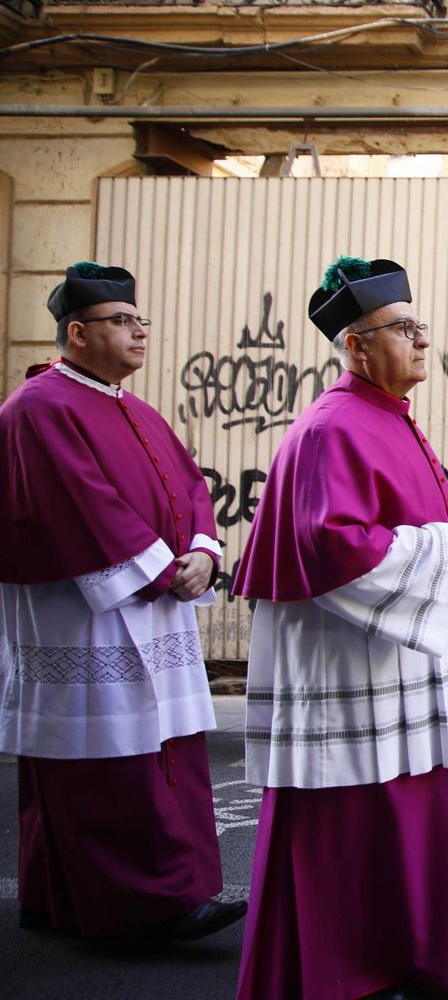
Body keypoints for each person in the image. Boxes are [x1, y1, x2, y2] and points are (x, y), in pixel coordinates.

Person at [232, 256, 448, 999]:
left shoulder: (385, 416)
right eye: (405, 329)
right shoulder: (336, 425)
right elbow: (333, 545)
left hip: (392, 658)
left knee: (421, 807)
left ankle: (445, 944)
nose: (423, 341)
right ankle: (363, 963)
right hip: (352, 667)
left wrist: (447, 540)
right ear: (357, 346)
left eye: (420, 327)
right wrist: (445, 546)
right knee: (368, 821)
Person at [0, 262, 243, 941]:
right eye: (123, 321)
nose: (140, 332)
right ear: (77, 333)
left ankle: (59, 896)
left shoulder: (135, 408)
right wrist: (168, 570)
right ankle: (144, 905)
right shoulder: (38, 408)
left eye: (141, 321)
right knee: (105, 761)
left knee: (154, 747)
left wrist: (203, 550)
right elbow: (80, 504)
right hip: (87, 616)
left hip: (151, 600)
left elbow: (192, 487)